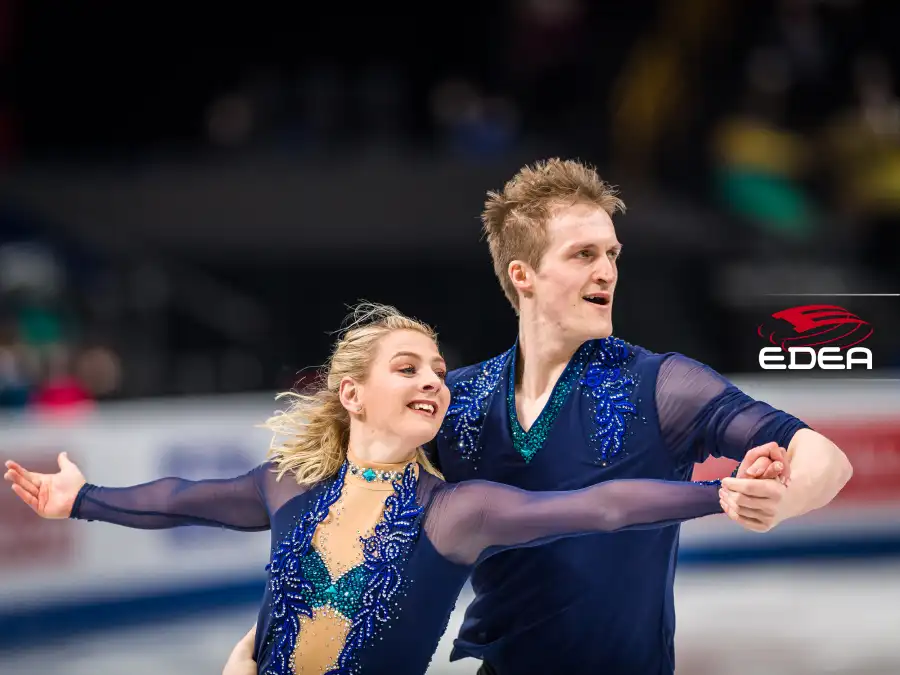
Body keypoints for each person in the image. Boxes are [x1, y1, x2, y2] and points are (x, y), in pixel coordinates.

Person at [4, 304, 785, 675]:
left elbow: (601, 506)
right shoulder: (289, 487)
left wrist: (716, 495)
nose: (433, 382)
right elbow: (179, 496)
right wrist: (84, 498)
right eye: (408, 367)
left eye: (440, 372)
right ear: (352, 393)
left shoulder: (454, 513)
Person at [421, 158, 852, 675]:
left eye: (611, 254)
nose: (606, 271)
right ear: (523, 274)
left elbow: (825, 456)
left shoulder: (661, 386)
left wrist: (785, 499)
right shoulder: (457, 401)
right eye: (583, 254)